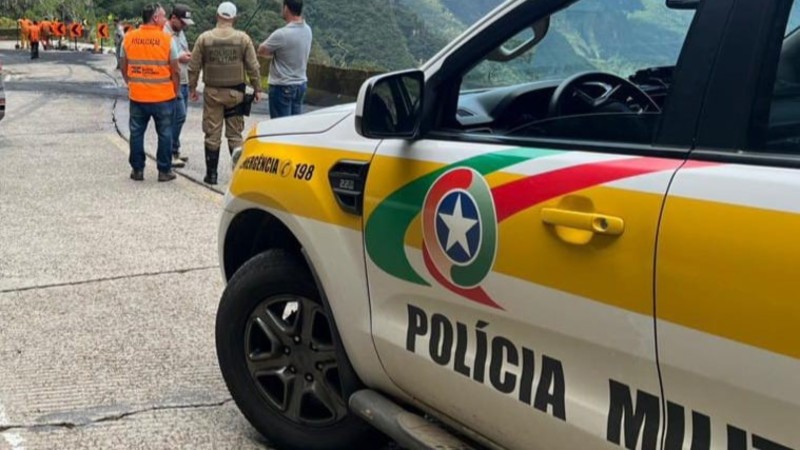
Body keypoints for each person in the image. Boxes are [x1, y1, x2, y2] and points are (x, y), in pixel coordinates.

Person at [188, 1, 261, 185]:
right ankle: (238, 177)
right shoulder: (243, 39)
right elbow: (253, 67)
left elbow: (193, 67)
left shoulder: (204, 38)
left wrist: (192, 88)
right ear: (234, 18)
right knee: (235, 135)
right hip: (235, 94)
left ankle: (211, 175)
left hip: (212, 93)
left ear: (217, 16)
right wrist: (257, 88)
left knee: (212, 134)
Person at [120, 3, 180, 182]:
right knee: (165, 133)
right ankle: (164, 170)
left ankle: (137, 170)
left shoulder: (129, 38)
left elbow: (123, 65)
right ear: (155, 17)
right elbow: (175, 70)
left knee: (136, 133)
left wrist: (130, 83)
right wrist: (175, 90)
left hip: (138, 96)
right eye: (163, 16)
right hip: (163, 96)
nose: (165, 19)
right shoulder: (167, 39)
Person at [257, 0, 312, 118]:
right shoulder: (308, 30)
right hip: (300, 84)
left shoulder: (281, 34)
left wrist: (275, 52)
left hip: (282, 86)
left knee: (280, 125)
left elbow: (261, 50)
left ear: (286, 8)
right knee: (293, 125)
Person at [164, 4, 194, 168]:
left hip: (184, 80)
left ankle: (174, 150)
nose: (184, 26)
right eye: (182, 22)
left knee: (180, 118)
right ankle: (167, 153)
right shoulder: (164, 32)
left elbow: (184, 49)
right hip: (172, 81)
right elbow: (164, 56)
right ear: (173, 18)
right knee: (177, 117)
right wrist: (179, 57)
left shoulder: (180, 32)